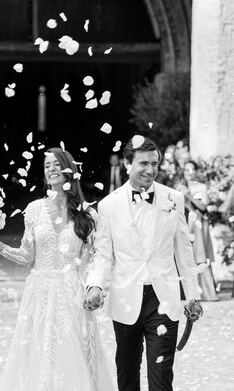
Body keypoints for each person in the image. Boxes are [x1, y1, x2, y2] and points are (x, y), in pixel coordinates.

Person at [0, 147, 115, 391]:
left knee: (72, 351)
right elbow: (27, 256)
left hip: (72, 293)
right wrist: (0, 246)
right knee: (39, 352)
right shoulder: (34, 209)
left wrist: (94, 287)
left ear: (69, 170)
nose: (52, 169)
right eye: (47, 166)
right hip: (40, 293)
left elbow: (97, 257)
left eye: (57, 164)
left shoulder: (87, 214)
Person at [84, 136, 202, 391]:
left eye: (155, 163)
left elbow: (183, 251)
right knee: (127, 374)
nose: (150, 170)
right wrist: (94, 285)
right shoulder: (108, 205)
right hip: (125, 298)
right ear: (127, 163)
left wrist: (192, 296)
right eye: (143, 163)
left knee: (161, 378)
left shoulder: (174, 198)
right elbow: (103, 254)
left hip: (164, 298)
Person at [177, 160, 219, 301]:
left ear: (196, 171)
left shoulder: (201, 187)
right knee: (185, 254)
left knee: (200, 255)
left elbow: (203, 206)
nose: (189, 172)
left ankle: (206, 292)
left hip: (198, 224)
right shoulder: (179, 187)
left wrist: (189, 196)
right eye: (186, 170)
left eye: (192, 169)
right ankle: (186, 292)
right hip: (184, 223)